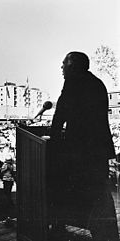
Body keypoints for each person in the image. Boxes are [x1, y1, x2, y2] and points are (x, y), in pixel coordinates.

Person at [50, 51, 119, 240]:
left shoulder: (73, 82)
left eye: (64, 63)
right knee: (100, 196)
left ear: (73, 66)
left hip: (79, 154)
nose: (61, 67)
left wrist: (54, 142)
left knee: (78, 193)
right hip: (97, 154)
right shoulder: (97, 84)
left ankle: (58, 224)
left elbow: (60, 115)